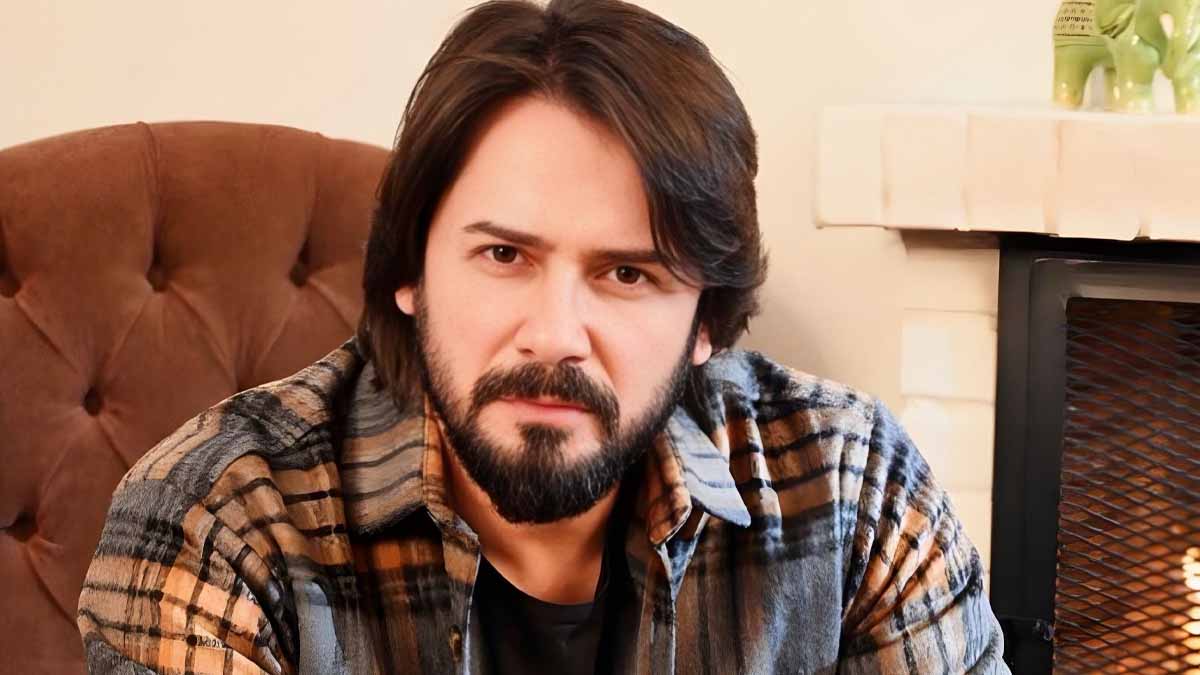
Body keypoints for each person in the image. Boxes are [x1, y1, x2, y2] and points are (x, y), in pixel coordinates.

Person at [77, 1, 1009, 672]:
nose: (556, 335)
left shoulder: (850, 484)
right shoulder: (220, 519)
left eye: (627, 273)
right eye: (504, 255)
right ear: (410, 271)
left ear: (705, 323)